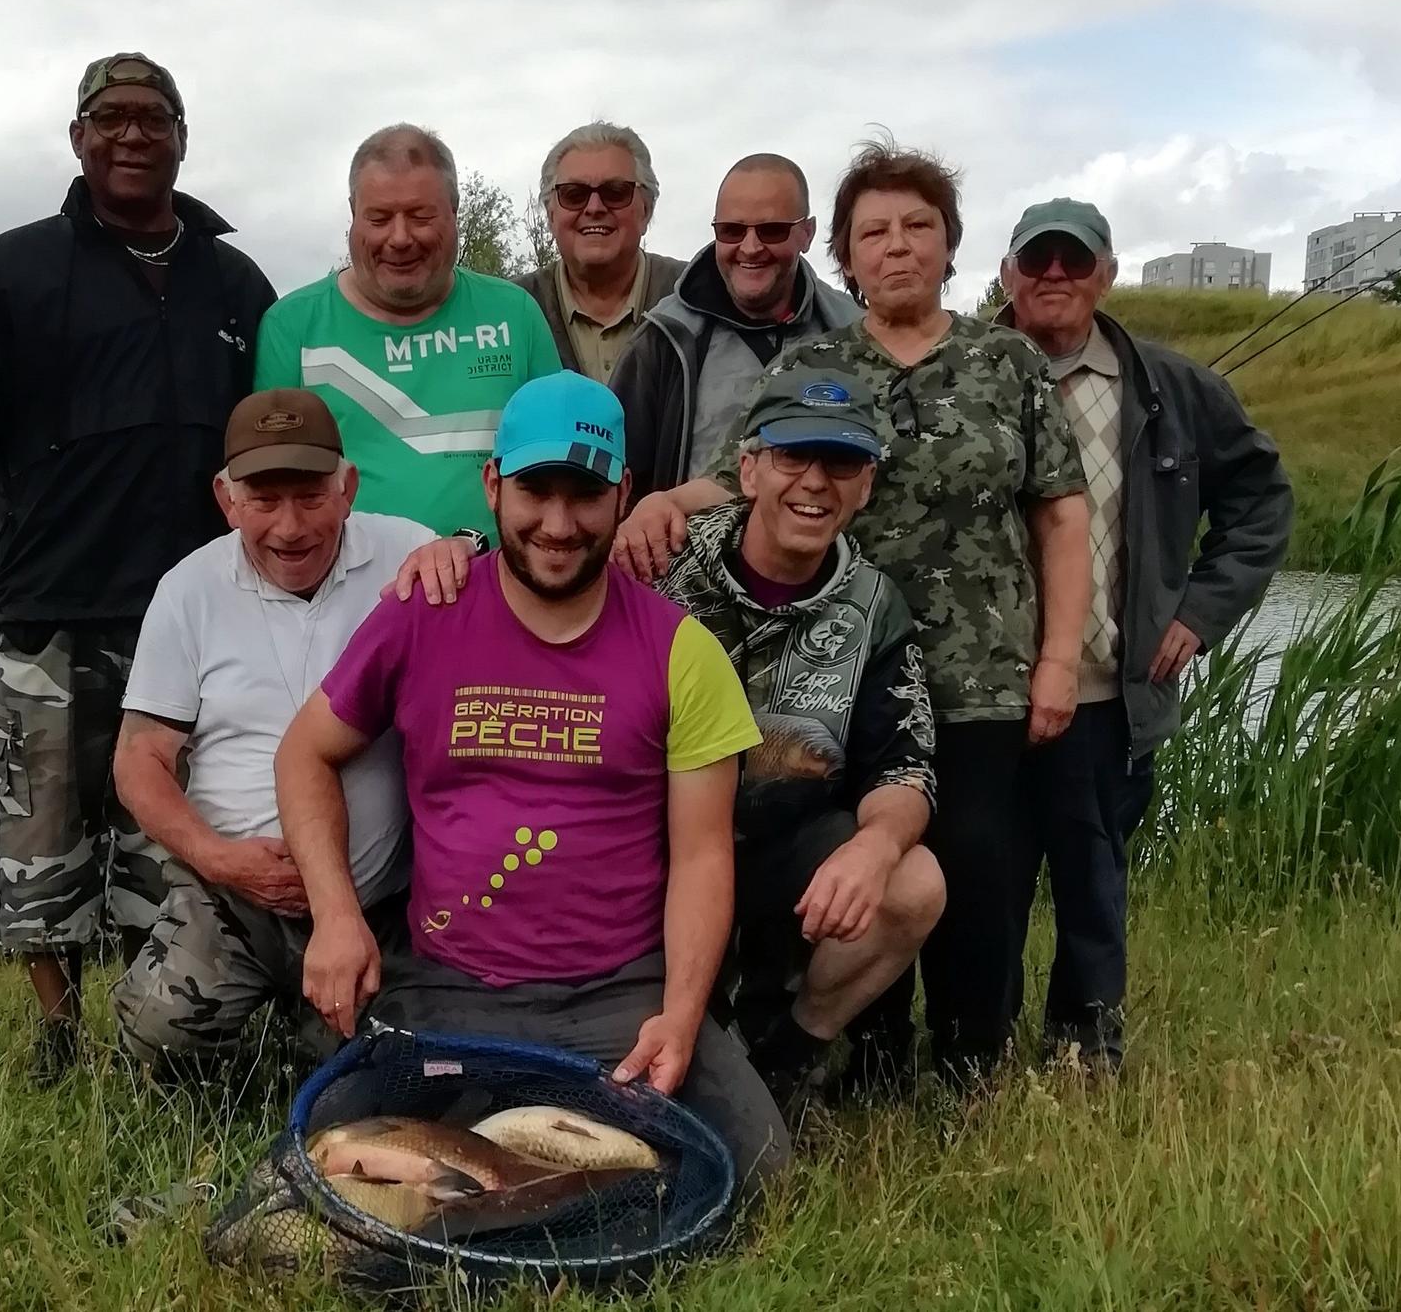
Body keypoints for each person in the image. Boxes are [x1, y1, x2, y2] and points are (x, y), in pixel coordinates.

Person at [627, 139, 1092, 1089]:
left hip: (980, 671)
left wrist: (1058, 660)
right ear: (843, 253)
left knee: (977, 867)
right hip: (839, 667)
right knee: (856, 864)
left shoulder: (1006, 360)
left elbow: (1062, 514)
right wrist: (657, 505)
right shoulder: (818, 361)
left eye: (918, 226)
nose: (898, 246)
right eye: (874, 231)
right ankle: (867, 1064)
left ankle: (969, 1065)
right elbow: (738, 477)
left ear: (950, 244)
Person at [275, 370, 790, 1191]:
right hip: (448, 983)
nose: (557, 523)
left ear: (623, 494)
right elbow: (304, 753)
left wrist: (681, 1014)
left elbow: (702, 857)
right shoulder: (422, 611)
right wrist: (337, 917)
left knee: (758, 1174)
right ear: (492, 486)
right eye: (534, 491)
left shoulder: (681, 650)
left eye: (584, 495)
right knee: (339, 1163)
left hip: (620, 992)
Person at [0, 52, 276, 1084]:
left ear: (183, 138)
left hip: (194, 612)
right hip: (49, 601)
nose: (133, 133)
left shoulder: (235, 284)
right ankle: (58, 1032)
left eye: (154, 116)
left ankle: (163, 1018)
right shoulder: (14, 268)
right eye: (110, 117)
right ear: (78, 139)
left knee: (174, 830)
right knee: (42, 829)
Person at [996, 199, 1293, 1068]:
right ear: (1008, 275)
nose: (1056, 275)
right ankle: (977, 1052)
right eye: (1037, 259)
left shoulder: (1173, 387)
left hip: (1107, 692)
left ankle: (1083, 1050)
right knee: (986, 882)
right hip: (980, 691)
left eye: (1074, 259)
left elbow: (1262, 501)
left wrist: (1199, 612)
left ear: (1107, 273)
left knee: (1093, 880)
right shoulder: (965, 374)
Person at [110, 390, 432, 1067]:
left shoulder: (409, 555)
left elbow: (498, 581)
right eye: (263, 500)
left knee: (380, 1073)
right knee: (156, 1035)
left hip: (380, 899)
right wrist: (217, 858)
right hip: (232, 895)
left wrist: (467, 544)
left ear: (348, 488)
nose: (290, 527)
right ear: (227, 499)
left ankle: (321, 1037)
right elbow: (140, 758)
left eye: (311, 497)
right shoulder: (187, 590)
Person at [655, 370, 945, 1103]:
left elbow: (905, 768)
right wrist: (462, 546)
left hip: (784, 848)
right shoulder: (660, 564)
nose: (815, 483)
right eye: (792, 457)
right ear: (749, 469)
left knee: (913, 883)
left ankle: (787, 1057)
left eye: (841, 463)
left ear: (866, 485)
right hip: (654, 845)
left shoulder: (876, 605)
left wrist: (876, 847)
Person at [254, 124, 562, 540]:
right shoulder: (292, 327)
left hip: (494, 573)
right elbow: (268, 492)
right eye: (379, 218)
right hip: (349, 580)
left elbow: (559, 466)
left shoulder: (515, 313)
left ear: (454, 211)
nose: (399, 238)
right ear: (353, 214)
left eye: (421, 217)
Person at [609, 153, 860, 503]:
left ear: (807, 233)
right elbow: (615, 482)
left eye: (772, 230)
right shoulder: (665, 339)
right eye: (732, 231)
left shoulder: (852, 332)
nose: (751, 247)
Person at [513, 122, 687, 384]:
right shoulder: (512, 310)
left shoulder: (693, 298)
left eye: (615, 192)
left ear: (646, 210)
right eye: (574, 194)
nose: (594, 208)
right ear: (550, 216)